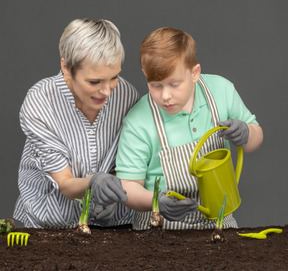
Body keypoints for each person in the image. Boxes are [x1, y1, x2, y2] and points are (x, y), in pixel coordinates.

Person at [115, 27, 263, 230]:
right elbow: (128, 187)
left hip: (219, 223)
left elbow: (254, 140)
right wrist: (156, 201)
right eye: (156, 85)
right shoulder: (138, 121)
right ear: (145, 74)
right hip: (158, 229)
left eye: (174, 84)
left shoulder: (222, 91)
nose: (165, 95)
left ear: (195, 73)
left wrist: (247, 132)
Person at [13, 18, 139, 228]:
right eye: (94, 82)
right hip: (53, 225)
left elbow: (128, 162)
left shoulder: (127, 95)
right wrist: (93, 182)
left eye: (114, 77)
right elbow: (65, 184)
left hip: (114, 224)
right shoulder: (40, 102)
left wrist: (115, 183)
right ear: (66, 68)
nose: (107, 91)